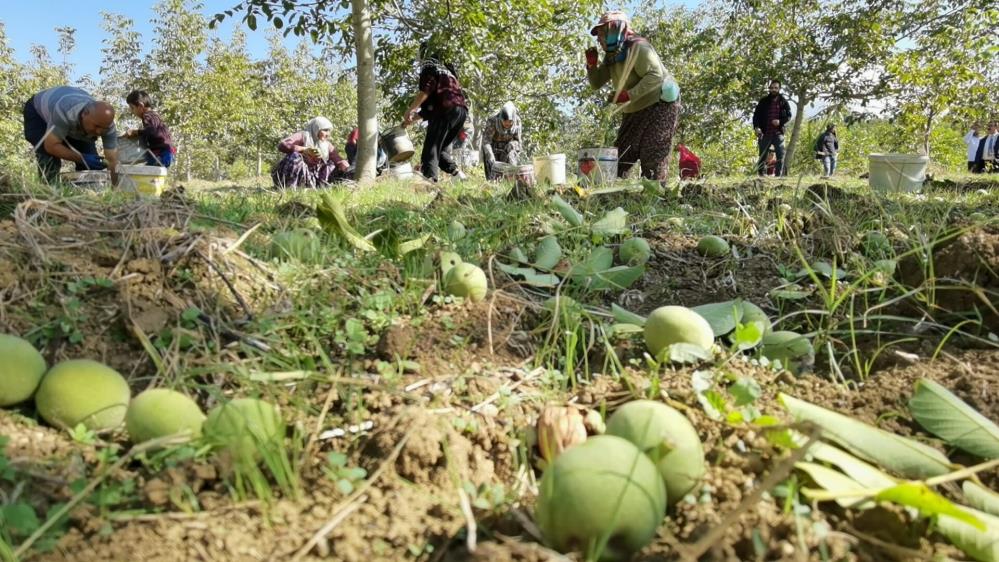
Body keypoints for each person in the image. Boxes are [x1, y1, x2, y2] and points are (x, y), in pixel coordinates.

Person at [586, 11, 680, 181]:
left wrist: (628, 95)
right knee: (621, 158)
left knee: (652, 155)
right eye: (598, 35)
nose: (599, 38)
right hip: (634, 108)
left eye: (602, 32)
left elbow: (655, 76)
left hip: (659, 104)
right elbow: (596, 83)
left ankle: (655, 197)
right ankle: (617, 196)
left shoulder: (639, 47)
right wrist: (591, 65)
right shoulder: (613, 55)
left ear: (615, 29)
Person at [22, 85, 120, 185]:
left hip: (73, 122)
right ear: (85, 114)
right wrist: (82, 158)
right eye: (96, 126)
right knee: (49, 159)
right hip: (38, 115)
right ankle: (50, 192)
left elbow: (112, 160)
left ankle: (87, 195)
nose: (99, 132)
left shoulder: (107, 126)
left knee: (91, 167)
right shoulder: (65, 111)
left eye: (103, 129)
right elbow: (51, 146)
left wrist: (115, 189)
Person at [403, 43, 468, 182]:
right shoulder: (447, 70)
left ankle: (430, 183)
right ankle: (458, 175)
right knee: (441, 151)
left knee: (430, 151)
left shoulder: (429, 64)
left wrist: (411, 108)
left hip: (446, 110)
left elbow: (426, 89)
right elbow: (432, 107)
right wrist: (412, 118)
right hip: (460, 111)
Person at [272, 117, 349, 189]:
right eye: (325, 130)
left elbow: (337, 159)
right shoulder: (303, 136)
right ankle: (289, 187)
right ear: (316, 128)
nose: (327, 134)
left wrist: (344, 164)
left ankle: (322, 186)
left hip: (312, 177)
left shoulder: (327, 145)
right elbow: (282, 145)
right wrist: (304, 149)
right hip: (293, 175)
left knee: (331, 165)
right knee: (295, 156)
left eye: (329, 131)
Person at [123, 90, 175, 168]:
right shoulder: (154, 115)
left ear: (140, 106)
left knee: (148, 173)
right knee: (154, 176)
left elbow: (151, 131)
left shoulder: (147, 116)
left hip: (161, 153)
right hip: (167, 151)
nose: (131, 111)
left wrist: (136, 132)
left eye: (132, 108)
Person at [753, 80, 793, 176]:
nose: (774, 90)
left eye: (776, 88)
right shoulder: (763, 101)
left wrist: (780, 122)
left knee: (780, 155)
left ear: (779, 89)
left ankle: (779, 176)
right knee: (763, 155)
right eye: (772, 88)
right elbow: (756, 116)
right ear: (769, 88)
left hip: (778, 133)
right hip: (765, 132)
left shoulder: (783, 101)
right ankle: (761, 175)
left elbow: (789, 115)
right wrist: (757, 127)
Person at [482, 102, 523, 180]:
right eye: (504, 121)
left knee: (510, 169)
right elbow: (486, 141)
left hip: (508, 149)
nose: (507, 124)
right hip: (493, 147)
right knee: (493, 174)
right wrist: (490, 155)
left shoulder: (517, 121)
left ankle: (511, 182)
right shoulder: (492, 120)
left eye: (510, 122)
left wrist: (512, 145)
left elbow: (519, 142)